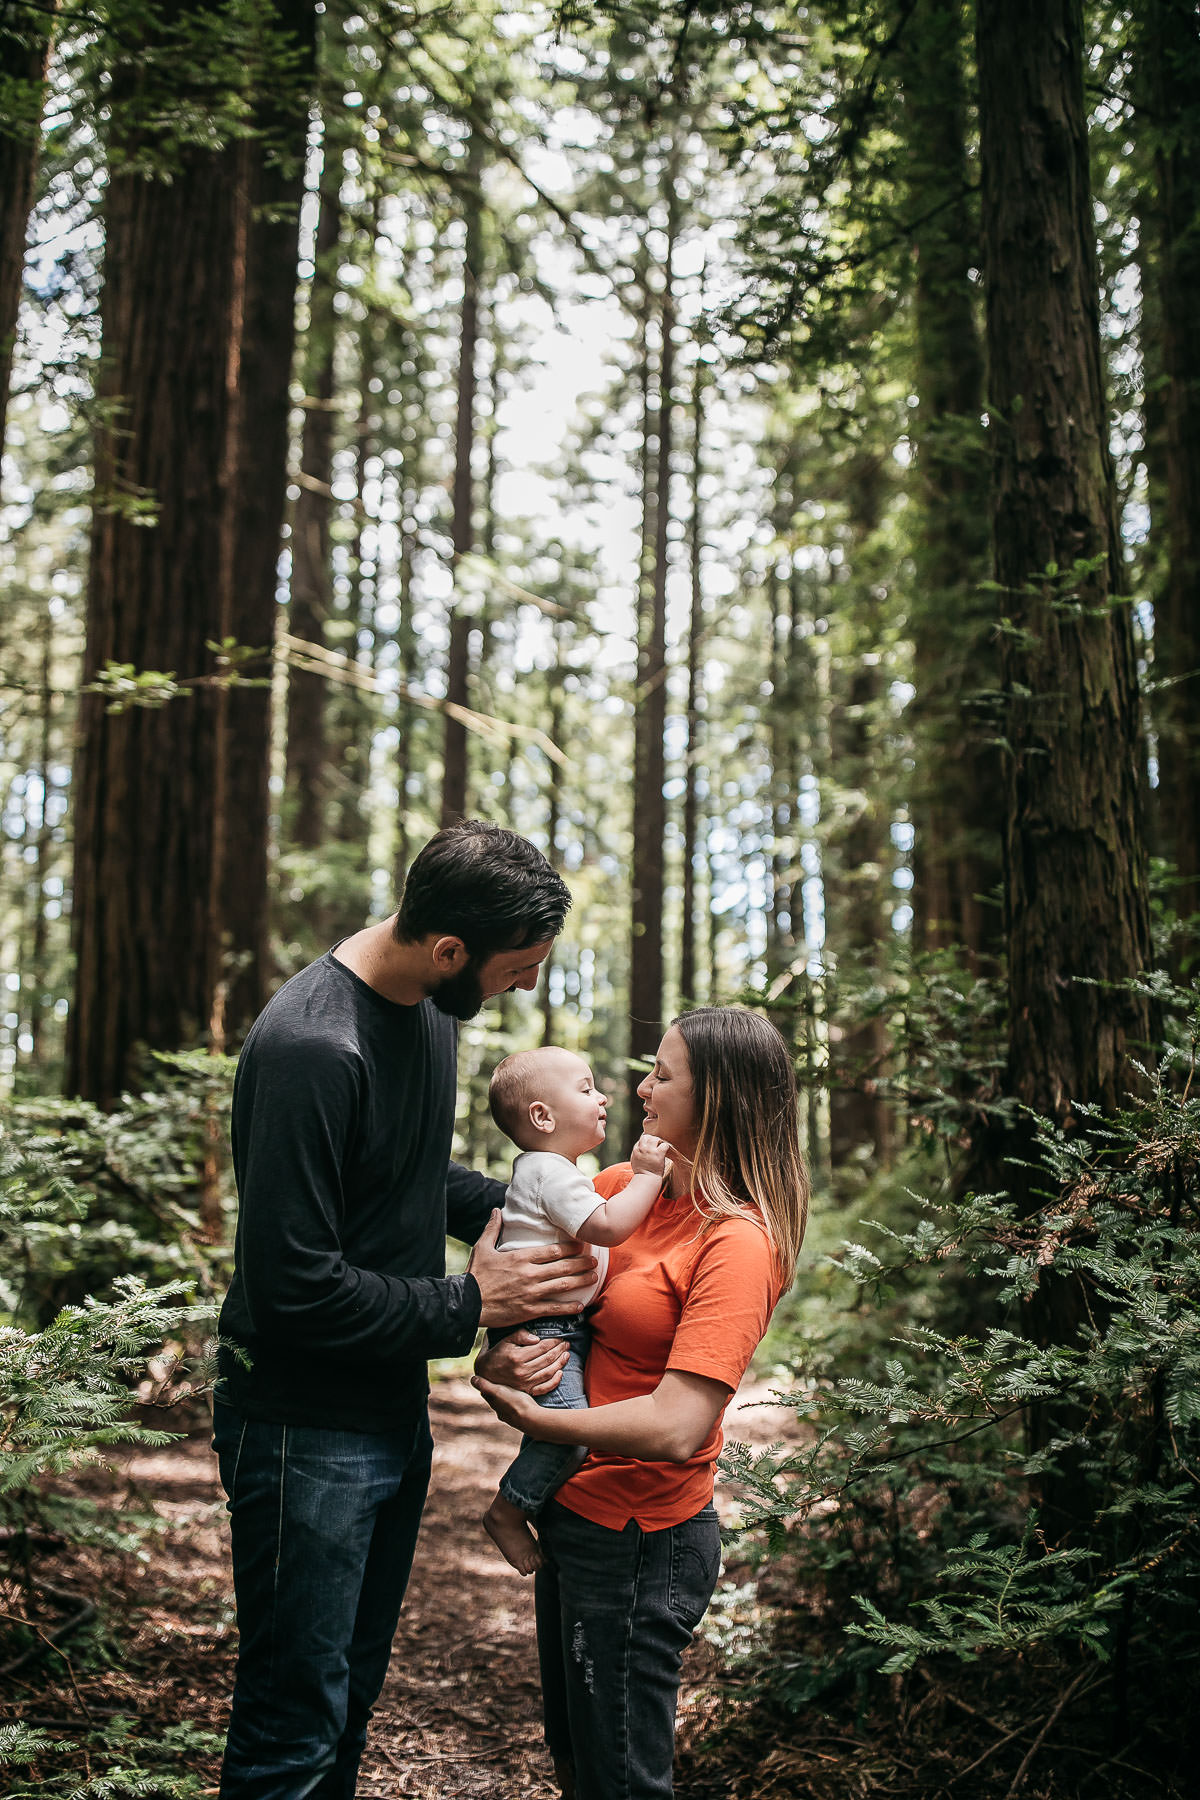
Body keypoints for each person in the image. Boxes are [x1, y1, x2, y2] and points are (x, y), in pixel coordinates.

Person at [213, 820, 599, 1800]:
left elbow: (407, 1176)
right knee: (291, 1724)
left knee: (347, 1704)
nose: (525, 988)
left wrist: (532, 1212)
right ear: (450, 950)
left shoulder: (427, 1009)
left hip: (388, 1412)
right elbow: (291, 1284)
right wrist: (473, 1301)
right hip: (301, 1428)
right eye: (519, 968)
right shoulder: (311, 1046)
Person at [475, 1006, 810, 1800]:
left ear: (718, 1098)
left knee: (621, 1779)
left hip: (639, 1537)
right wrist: (497, 1355)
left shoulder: (737, 1240)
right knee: (574, 1760)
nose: (640, 1086)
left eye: (663, 1073)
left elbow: (677, 1424)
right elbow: (530, 1290)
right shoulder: (624, 1189)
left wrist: (540, 1423)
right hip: (570, 1516)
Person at [481, 1045, 670, 1574]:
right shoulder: (549, 1171)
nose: (604, 1096)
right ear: (542, 1116)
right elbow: (607, 1226)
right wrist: (648, 1177)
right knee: (569, 1431)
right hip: (545, 1327)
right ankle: (508, 1510)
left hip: (554, 1323)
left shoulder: (550, 1171)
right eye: (586, 1089)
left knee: (558, 1429)